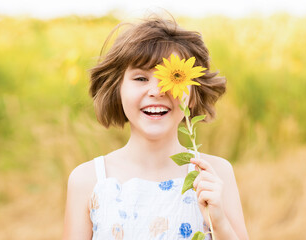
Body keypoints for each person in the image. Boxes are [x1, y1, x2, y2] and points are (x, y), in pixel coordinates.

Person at [63, 15, 249, 240]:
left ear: (192, 93)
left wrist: (218, 222)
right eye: (141, 78)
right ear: (117, 89)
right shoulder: (88, 180)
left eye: (173, 78)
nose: (157, 91)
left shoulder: (214, 175)